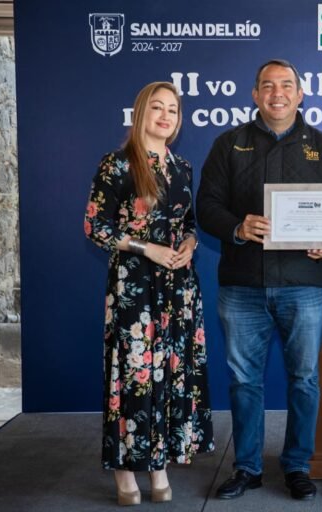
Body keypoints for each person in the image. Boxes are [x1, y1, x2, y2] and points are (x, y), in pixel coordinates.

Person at [196, 59, 322, 501]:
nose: (277, 93)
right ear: (255, 94)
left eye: (286, 86)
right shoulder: (229, 145)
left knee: (304, 378)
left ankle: (298, 465)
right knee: (245, 380)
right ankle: (246, 467)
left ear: (301, 95)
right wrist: (238, 228)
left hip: (303, 284)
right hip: (242, 284)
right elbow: (206, 206)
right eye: (267, 85)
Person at [84, 81, 215, 506]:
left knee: (169, 376)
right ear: (140, 113)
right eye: (157, 108)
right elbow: (96, 227)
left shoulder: (183, 167)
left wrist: (189, 245)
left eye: (173, 110)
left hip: (178, 288)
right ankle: (125, 473)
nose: (165, 116)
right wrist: (149, 248)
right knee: (133, 375)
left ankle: (157, 464)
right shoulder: (117, 164)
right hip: (134, 289)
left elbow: (190, 223)